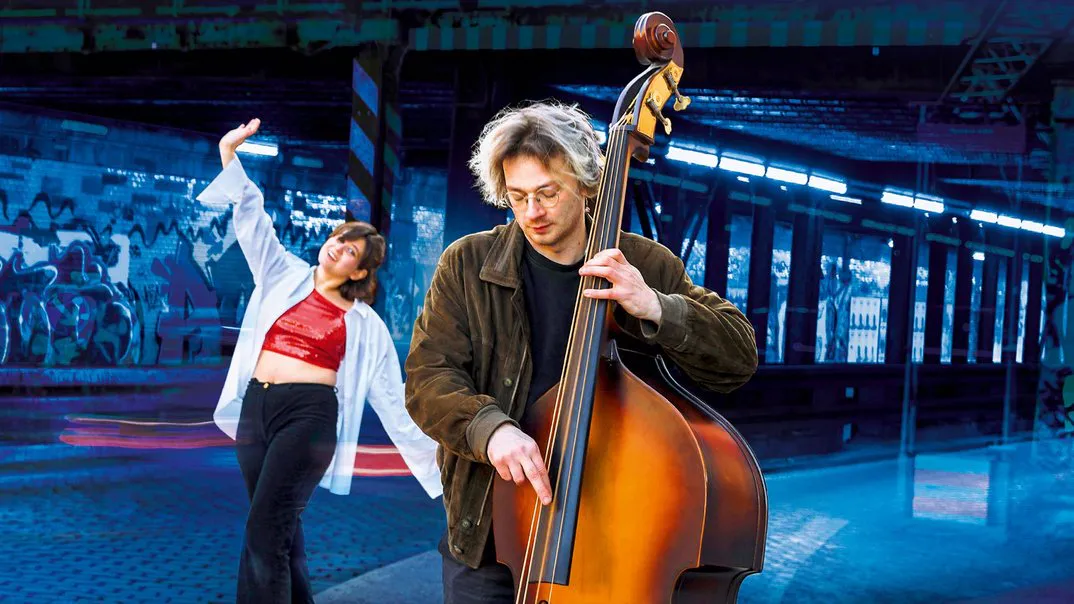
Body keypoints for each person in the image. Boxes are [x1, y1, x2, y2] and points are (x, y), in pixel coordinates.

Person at [404, 100, 758, 603]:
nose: (532, 213)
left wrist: (656, 305)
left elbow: (738, 357)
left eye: (548, 194)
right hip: (489, 533)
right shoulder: (467, 263)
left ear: (589, 184)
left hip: (610, 532)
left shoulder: (642, 263)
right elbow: (427, 378)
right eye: (518, 196)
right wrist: (491, 430)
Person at [196, 118, 442, 604]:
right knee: (280, 531)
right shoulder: (282, 273)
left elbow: (393, 398)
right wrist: (229, 154)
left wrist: (443, 462)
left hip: (307, 418)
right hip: (256, 409)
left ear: (362, 270)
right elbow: (252, 218)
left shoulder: (363, 324)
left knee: (265, 531)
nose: (337, 247)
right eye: (339, 238)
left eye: (351, 250)